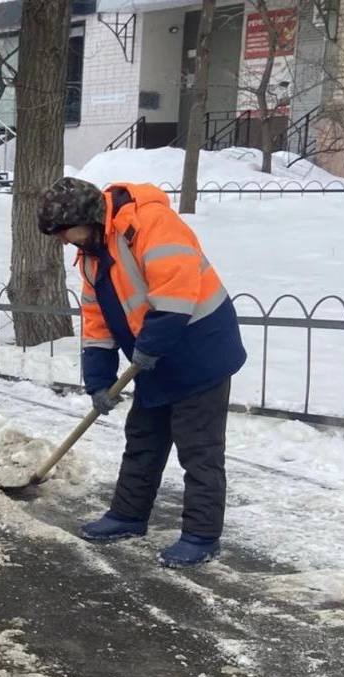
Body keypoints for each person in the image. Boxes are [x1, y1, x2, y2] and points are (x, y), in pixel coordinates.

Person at [38, 176, 246, 568]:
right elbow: (96, 320)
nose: (65, 241)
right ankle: (128, 516)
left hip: (200, 349)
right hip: (152, 353)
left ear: (89, 217)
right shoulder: (91, 255)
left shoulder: (150, 223)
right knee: (143, 438)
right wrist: (99, 381)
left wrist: (148, 347)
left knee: (198, 447)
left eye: (66, 231)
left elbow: (176, 292)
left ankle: (201, 536)